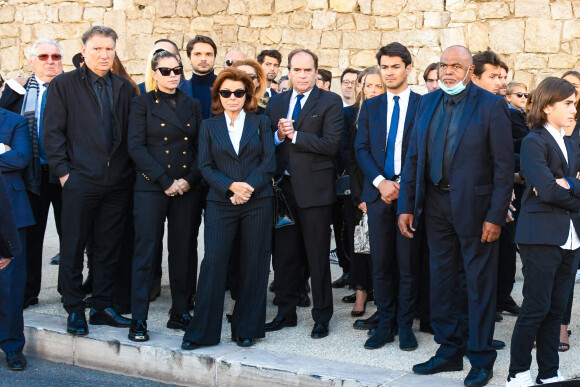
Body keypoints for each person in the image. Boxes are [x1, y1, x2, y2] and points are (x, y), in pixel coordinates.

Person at [397, 45, 513, 387]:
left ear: (470, 71)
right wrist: (406, 205)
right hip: (434, 205)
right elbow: (413, 159)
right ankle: (449, 351)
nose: (448, 71)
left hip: (477, 211)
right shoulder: (427, 102)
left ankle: (480, 358)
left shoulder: (492, 106)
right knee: (442, 280)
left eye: (456, 66)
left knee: (478, 285)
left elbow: (504, 169)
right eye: (444, 65)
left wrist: (495, 215)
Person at [43, 26, 137, 336]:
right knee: (73, 246)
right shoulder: (63, 85)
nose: (104, 54)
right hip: (79, 180)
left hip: (117, 183)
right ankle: (74, 308)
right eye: (97, 48)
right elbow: (52, 133)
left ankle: (101, 306)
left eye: (109, 49)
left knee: (108, 247)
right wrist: (64, 174)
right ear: (84, 51)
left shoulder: (124, 87)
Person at [181, 68, 275, 349]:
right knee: (213, 264)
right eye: (225, 92)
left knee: (254, 264)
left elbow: (268, 161)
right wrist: (232, 188)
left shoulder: (261, 123)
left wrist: (246, 188)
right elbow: (205, 166)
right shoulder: (209, 127)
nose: (232, 97)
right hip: (220, 203)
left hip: (257, 202)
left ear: (247, 95)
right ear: (218, 96)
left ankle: (247, 328)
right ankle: (202, 333)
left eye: (238, 92)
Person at [505, 77, 580, 386]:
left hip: (570, 236)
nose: (574, 109)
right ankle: (518, 373)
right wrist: (570, 186)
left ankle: (549, 372)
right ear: (548, 106)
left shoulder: (569, 142)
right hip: (540, 235)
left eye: (574, 103)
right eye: (568, 103)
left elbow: (554, 188)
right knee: (535, 308)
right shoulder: (534, 141)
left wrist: (570, 184)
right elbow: (547, 191)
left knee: (557, 309)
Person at [264, 49, 343, 339]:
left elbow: (332, 143)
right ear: (289, 71)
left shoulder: (330, 101)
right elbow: (267, 141)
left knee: (317, 256)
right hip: (282, 191)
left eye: (307, 70)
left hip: (315, 193)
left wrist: (295, 135)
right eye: (296, 70)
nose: (302, 75)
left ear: (316, 71)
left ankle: (322, 316)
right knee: (284, 256)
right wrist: (278, 136)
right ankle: (285, 313)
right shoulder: (278, 102)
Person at [126, 50, 202, 342]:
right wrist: (165, 180)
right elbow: (136, 147)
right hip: (151, 186)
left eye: (177, 70)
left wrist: (187, 180)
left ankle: (181, 310)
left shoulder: (192, 104)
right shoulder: (141, 103)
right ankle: (139, 318)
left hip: (185, 187)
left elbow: (199, 147)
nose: (173, 75)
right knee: (146, 251)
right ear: (154, 74)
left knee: (183, 250)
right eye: (166, 71)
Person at [355, 42, 422, 351]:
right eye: (385, 66)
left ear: (408, 68)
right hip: (379, 195)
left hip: (410, 197)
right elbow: (361, 149)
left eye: (396, 66)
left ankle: (405, 325)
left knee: (408, 265)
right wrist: (381, 183)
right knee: (381, 264)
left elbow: (426, 153)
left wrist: (404, 186)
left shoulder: (424, 104)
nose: (390, 72)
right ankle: (385, 323)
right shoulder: (370, 106)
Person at [0, 39, 64, 308]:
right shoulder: (18, 91)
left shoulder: (70, 88)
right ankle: (28, 291)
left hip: (63, 172)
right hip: (30, 175)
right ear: (32, 61)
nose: (50, 61)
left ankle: (69, 292)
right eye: (43, 56)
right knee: (32, 236)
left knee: (71, 235)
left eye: (55, 56)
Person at [341, 67, 385, 318]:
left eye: (378, 86)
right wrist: (359, 197)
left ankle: (381, 292)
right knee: (359, 245)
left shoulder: (389, 113)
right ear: (360, 87)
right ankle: (360, 293)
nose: (373, 90)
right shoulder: (350, 115)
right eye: (368, 85)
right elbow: (350, 158)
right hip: (358, 190)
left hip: (384, 189)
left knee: (381, 247)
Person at [0, 107, 34, 371]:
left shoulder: (15, 121)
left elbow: (21, 157)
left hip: (11, 212)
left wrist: (9, 153)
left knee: (10, 284)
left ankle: (12, 347)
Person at [560, 69, 580, 353]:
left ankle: (560, 324)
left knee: (569, 268)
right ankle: (551, 324)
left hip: (576, 207)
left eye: (575, 87)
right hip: (550, 211)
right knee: (549, 272)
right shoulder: (540, 126)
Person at [182, 35, 217, 119]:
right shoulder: (180, 90)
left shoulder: (226, 88)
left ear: (214, 57)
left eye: (208, 54)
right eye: (197, 54)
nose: (203, 59)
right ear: (189, 58)